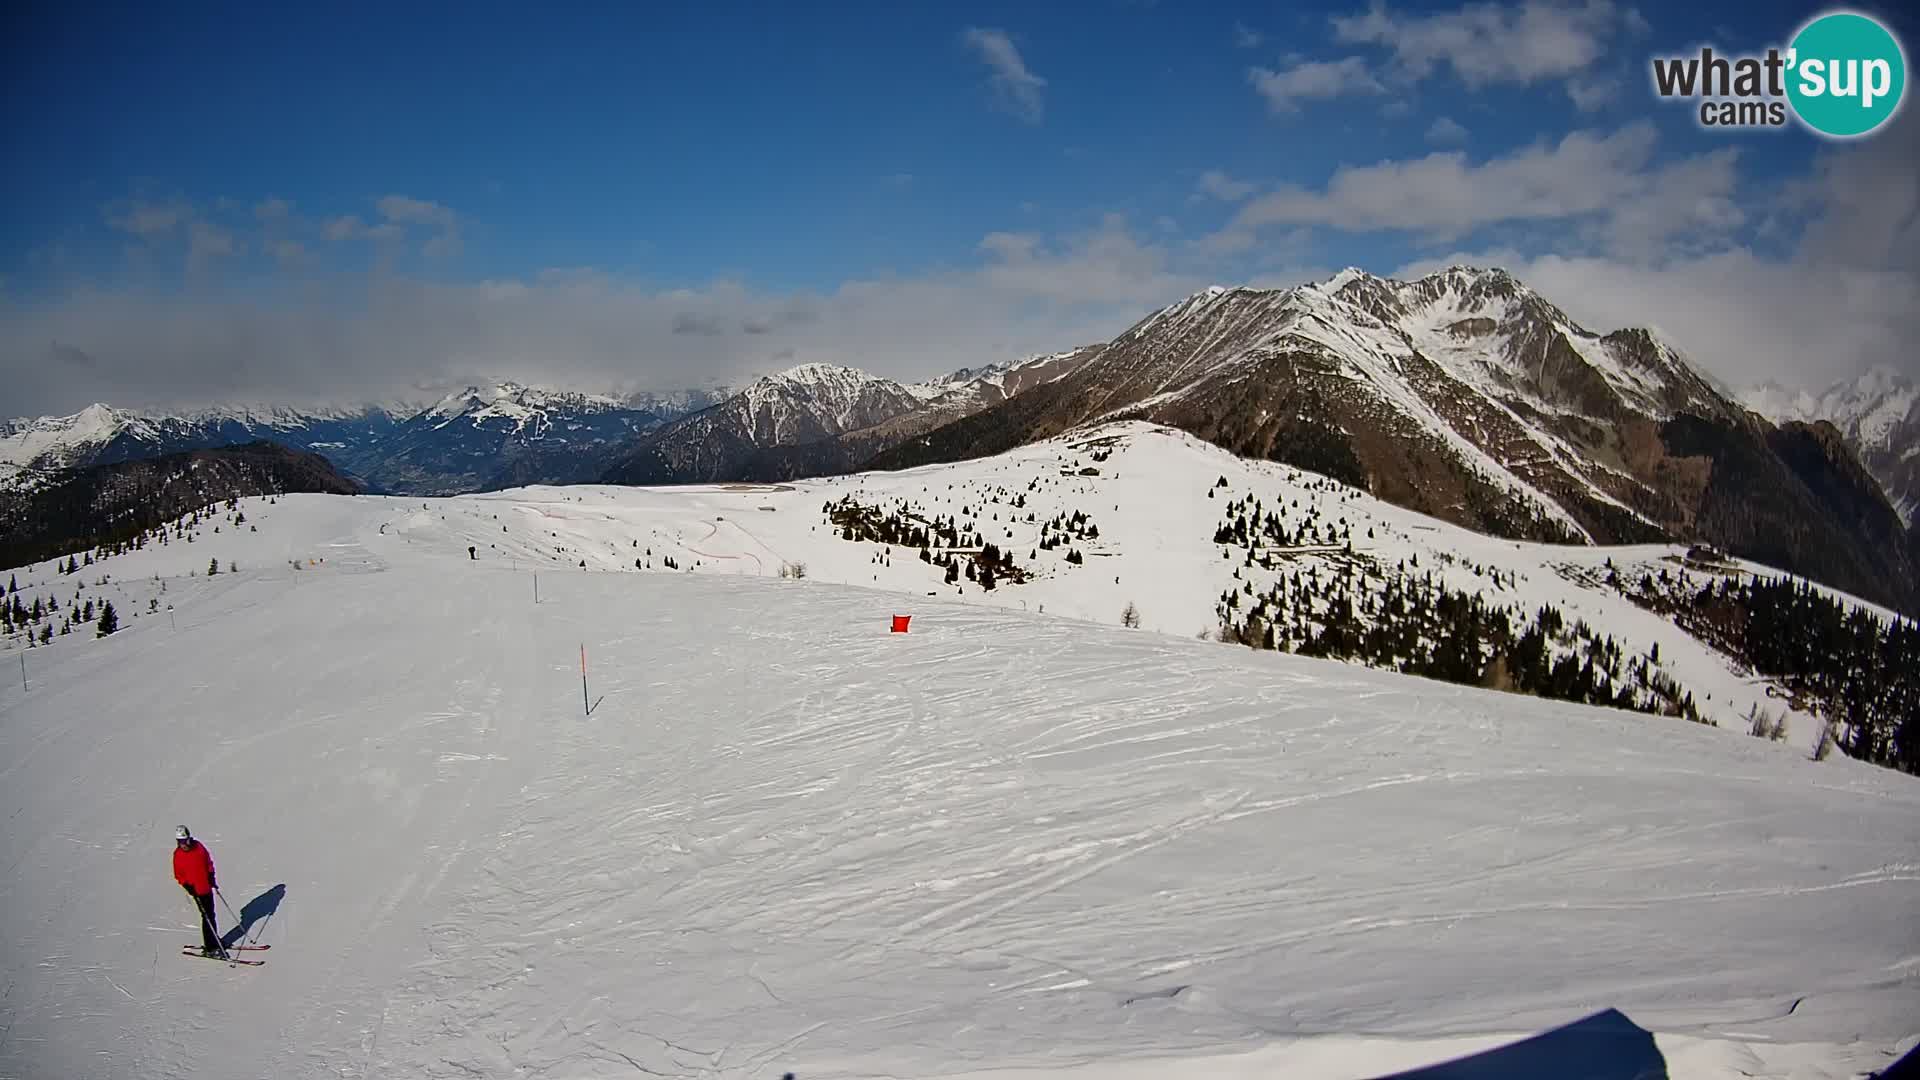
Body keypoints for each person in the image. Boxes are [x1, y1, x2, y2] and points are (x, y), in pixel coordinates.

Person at [172, 825, 224, 958]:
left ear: (189, 839)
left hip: (206, 887)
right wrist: (188, 887)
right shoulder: (178, 855)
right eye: (180, 842)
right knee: (206, 917)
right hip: (196, 891)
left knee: (211, 915)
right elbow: (178, 874)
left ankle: (214, 940)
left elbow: (208, 862)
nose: (183, 845)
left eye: (184, 841)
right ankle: (210, 947)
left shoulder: (199, 847)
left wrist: (211, 876)